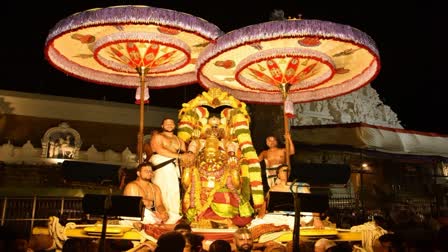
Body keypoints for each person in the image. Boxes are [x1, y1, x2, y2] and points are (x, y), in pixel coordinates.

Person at [150, 118, 189, 217]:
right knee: (162, 191)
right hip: (161, 166)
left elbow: (185, 155)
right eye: (166, 123)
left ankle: (174, 215)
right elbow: (159, 150)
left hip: (174, 168)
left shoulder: (179, 140)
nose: (169, 125)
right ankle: (161, 214)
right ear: (162, 126)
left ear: (174, 126)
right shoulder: (158, 137)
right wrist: (179, 156)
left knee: (174, 191)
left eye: (171, 123)